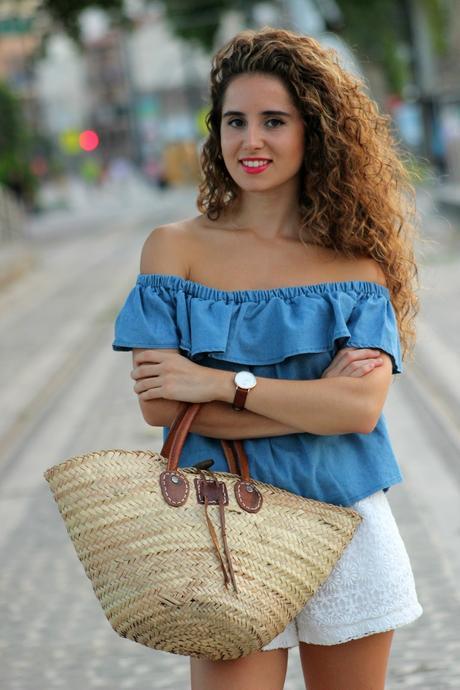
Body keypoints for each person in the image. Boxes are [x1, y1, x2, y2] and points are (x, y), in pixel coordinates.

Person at [112, 27, 423, 690]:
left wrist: (219, 385)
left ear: (314, 130)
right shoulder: (174, 251)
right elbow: (162, 406)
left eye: (274, 121)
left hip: (348, 525)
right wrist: (313, 405)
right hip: (220, 527)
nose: (250, 141)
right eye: (234, 121)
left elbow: (360, 409)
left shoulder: (356, 264)